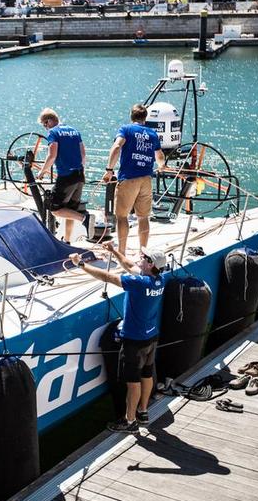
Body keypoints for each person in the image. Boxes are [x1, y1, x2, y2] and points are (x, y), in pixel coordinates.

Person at [70, 242, 166, 435]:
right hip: (151, 337)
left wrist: (80, 265)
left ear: (149, 264)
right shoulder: (160, 279)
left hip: (134, 340)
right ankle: (143, 411)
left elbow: (108, 277)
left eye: (143, 257)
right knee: (147, 374)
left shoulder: (139, 283)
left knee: (133, 382)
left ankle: (130, 421)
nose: (140, 257)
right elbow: (131, 266)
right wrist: (114, 251)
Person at [103, 104, 165, 255]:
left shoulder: (126, 129)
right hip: (146, 179)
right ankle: (143, 252)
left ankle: (122, 252)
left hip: (129, 178)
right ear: (145, 117)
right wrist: (161, 166)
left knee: (122, 216)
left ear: (131, 116)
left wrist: (109, 170)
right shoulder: (152, 133)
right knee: (143, 217)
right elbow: (160, 156)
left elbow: (117, 147)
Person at [37, 108, 91, 241]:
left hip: (66, 176)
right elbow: (83, 155)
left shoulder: (53, 133)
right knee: (69, 210)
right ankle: (67, 241)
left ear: (49, 121)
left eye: (44, 124)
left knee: (54, 208)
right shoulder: (74, 131)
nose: (45, 128)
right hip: (79, 175)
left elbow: (52, 156)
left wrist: (42, 172)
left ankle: (85, 218)